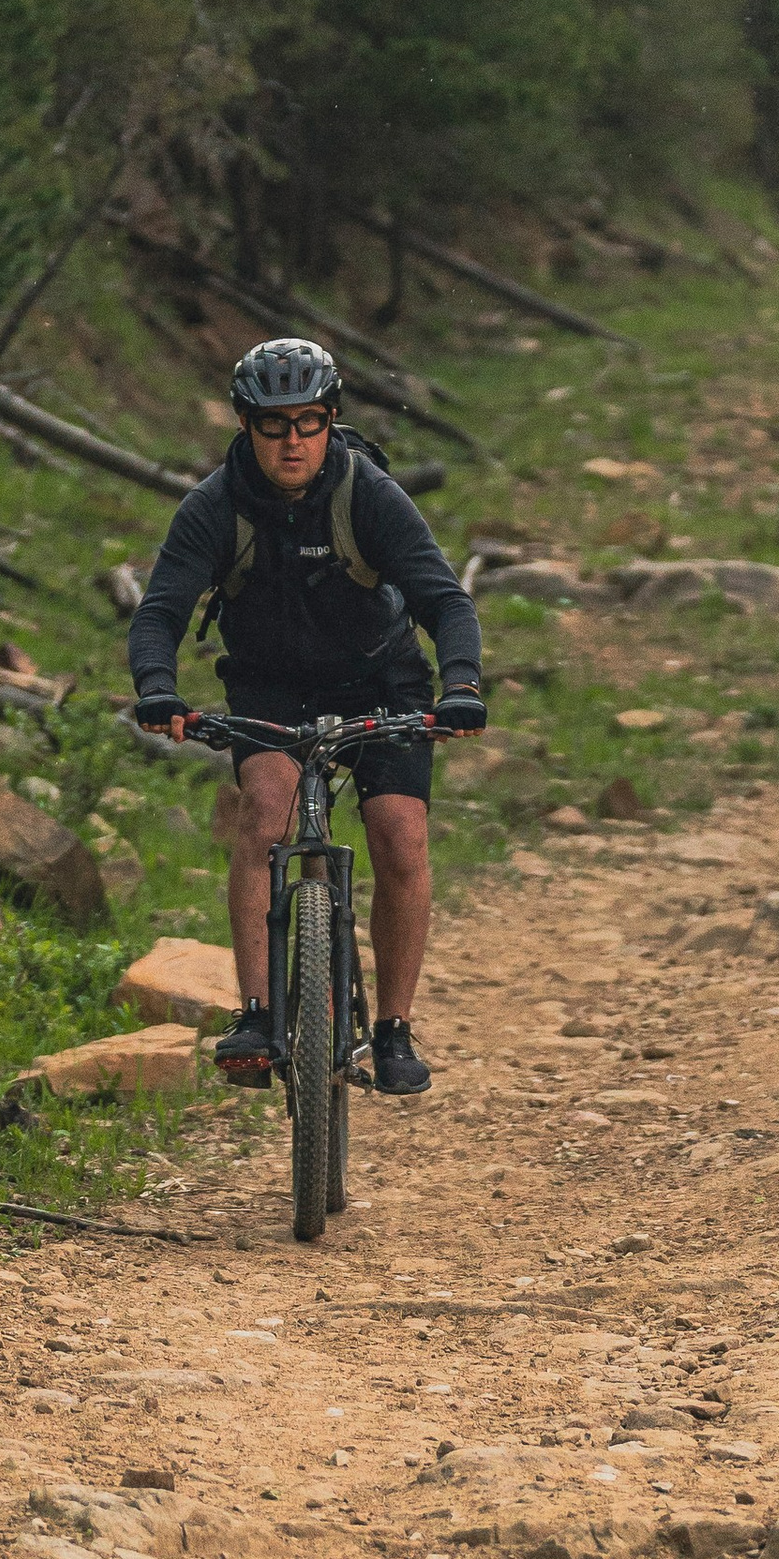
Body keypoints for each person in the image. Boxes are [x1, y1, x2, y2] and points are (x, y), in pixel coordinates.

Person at [127, 337, 485, 1094]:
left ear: (331, 422)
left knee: (399, 831)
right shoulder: (215, 506)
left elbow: (443, 600)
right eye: (273, 425)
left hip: (380, 677)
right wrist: (158, 688)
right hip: (269, 685)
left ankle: (392, 1030)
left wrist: (460, 686)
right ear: (245, 425)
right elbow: (160, 612)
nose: (292, 442)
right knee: (264, 815)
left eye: (309, 422)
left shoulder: (368, 494)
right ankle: (256, 1015)